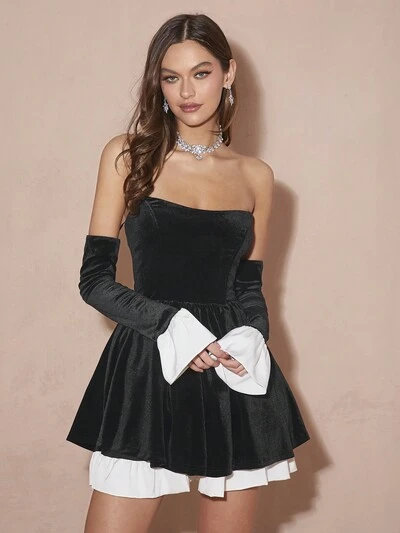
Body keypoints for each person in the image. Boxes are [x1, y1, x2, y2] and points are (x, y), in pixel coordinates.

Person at [66, 12, 310, 533]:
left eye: (201, 73)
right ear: (158, 84)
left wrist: (252, 337)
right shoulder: (127, 156)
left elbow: (248, 288)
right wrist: (172, 326)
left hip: (229, 367)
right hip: (149, 358)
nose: (186, 92)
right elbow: (94, 280)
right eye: (171, 77)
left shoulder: (256, 177)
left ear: (228, 73)